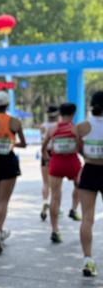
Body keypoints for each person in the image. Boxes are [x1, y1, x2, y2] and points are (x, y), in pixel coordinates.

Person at [0, 90, 26, 254]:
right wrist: (10, 143)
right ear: (7, 104)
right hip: (9, 162)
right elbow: (24, 144)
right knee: (3, 201)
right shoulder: (15, 122)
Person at [43, 102, 82, 244]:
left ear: (60, 113)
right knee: (80, 186)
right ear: (73, 114)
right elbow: (80, 148)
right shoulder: (75, 129)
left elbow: (44, 147)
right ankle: (73, 208)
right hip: (72, 163)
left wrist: (47, 158)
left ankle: (55, 230)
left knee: (55, 197)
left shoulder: (52, 129)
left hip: (57, 163)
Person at [76, 90, 103, 277]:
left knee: (87, 217)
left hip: (89, 170)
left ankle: (87, 259)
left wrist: (88, 157)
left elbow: (79, 149)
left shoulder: (82, 126)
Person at [40, 105, 59, 221]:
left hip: (45, 153)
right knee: (56, 184)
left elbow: (42, 142)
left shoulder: (43, 126)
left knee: (45, 182)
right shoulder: (58, 126)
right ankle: (55, 205)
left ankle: (45, 201)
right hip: (56, 154)